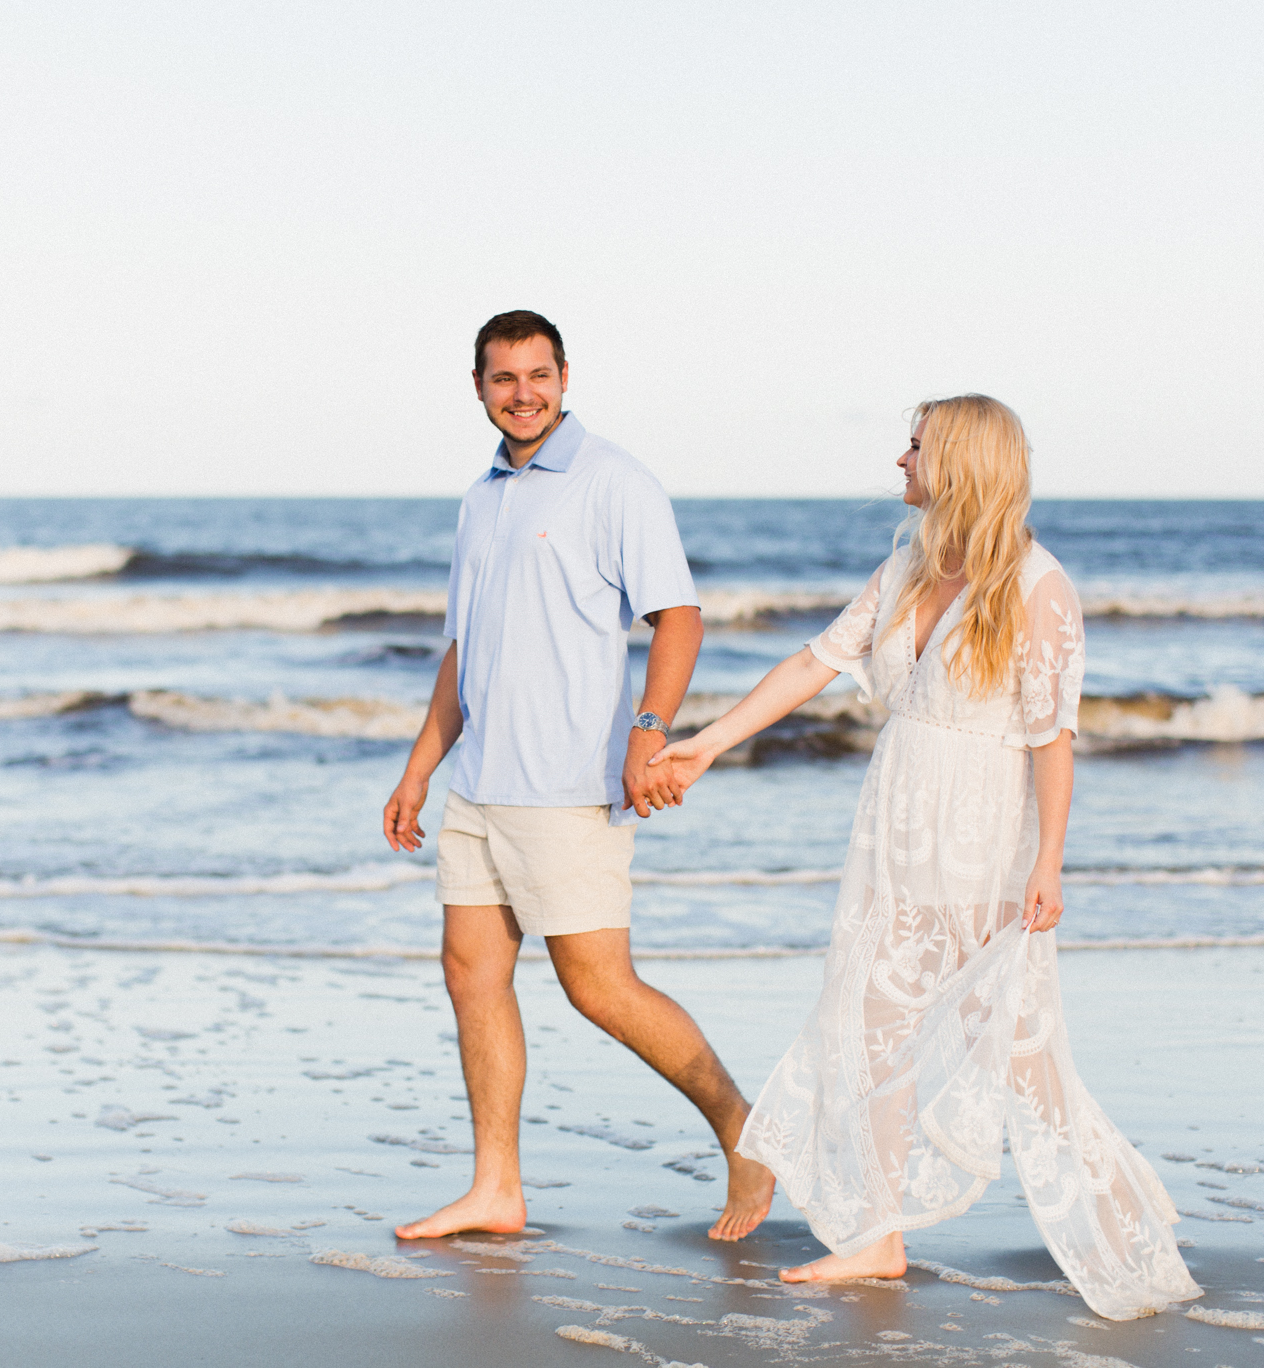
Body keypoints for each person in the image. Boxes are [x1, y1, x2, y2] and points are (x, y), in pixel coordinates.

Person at [645, 395, 1202, 1320]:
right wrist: (705, 744)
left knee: (1022, 1051)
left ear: (959, 463)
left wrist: (1048, 863)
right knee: (868, 1026)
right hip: (897, 823)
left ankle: (1118, 1226)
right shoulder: (910, 559)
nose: (899, 459)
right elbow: (815, 661)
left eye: (916, 445)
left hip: (983, 836)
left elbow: (1052, 737)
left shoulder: (1037, 584)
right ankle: (878, 1237)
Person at [382, 309, 775, 1243]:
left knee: (599, 986)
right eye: (503, 377)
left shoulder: (615, 483)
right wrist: (418, 772)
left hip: (568, 785)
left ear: (565, 376)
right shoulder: (481, 497)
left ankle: (747, 1129)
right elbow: (461, 650)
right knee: (471, 971)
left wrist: (650, 728)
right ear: (478, 386)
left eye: (538, 374)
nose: (523, 392)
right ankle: (496, 1190)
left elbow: (678, 617)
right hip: (480, 783)